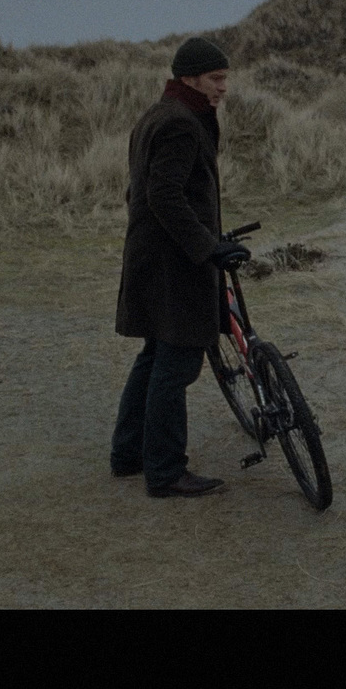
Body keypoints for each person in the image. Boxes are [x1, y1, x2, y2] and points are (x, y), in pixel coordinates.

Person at [111, 36, 249, 498]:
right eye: (216, 78)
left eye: (225, 77)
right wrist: (206, 249)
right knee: (176, 363)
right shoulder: (181, 125)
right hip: (175, 265)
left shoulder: (159, 114)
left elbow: (142, 193)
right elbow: (163, 196)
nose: (223, 87)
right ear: (189, 78)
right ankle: (166, 471)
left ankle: (128, 455)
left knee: (154, 356)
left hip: (155, 258)